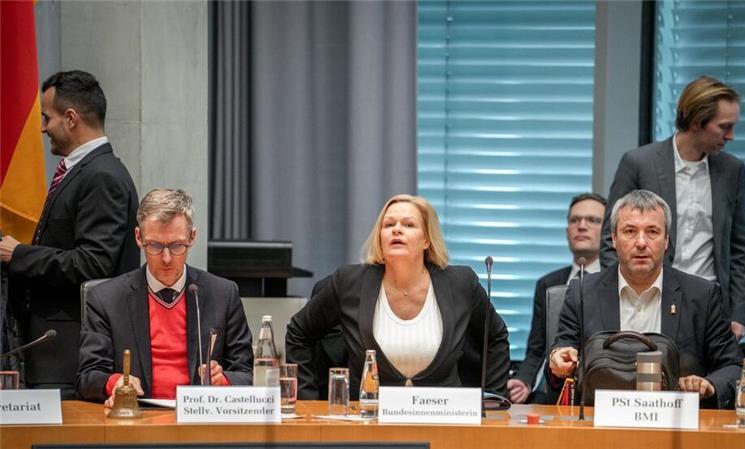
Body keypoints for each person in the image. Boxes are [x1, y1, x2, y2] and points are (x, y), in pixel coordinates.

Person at [286, 194, 510, 398]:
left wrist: (493, 400)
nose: (397, 230)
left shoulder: (460, 283)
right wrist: (307, 401)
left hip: (442, 416)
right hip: (369, 416)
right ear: (380, 237)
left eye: (409, 225)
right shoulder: (349, 282)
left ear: (426, 240)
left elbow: (496, 336)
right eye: (388, 225)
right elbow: (299, 332)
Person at [0, 70, 139, 398]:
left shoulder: (102, 176)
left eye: (47, 117)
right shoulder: (84, 171)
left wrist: (19, 255)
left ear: (71, 118)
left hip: (70, 356)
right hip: (53, 352)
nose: (42, 127)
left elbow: (94, 264)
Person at [551, 190, 742, 408]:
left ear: (666, 240)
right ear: (614, 239)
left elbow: (733, 367)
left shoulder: (701, 295)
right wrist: (559, 362)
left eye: (652, 232)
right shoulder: (582, 292)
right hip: (600, 420)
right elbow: (560, 357)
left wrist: (709, 384)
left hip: (676, 420)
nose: (641, 242)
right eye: (630, 231)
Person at [600, 76, 745, 341]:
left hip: (709, 306)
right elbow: (610, 239)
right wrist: (619, 300)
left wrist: (737, 314)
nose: (731, 136)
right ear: (696, 122)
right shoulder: (639, 163)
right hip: (649, 300)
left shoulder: (732, 170)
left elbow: (737, 248)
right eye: (724, 127)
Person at [76, 189, 253, 407]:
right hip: (137, 415)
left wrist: (223, 380)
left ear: (192, 237)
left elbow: (246, 373)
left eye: (177, 245)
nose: (166, 258)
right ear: (139, 238)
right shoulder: (106, 299)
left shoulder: (223, 294)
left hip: (199, 416)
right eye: (155, 246)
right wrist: (116, 383)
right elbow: (88, 376)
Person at [508, 193, 606, 404]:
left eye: (592, 220)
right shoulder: (547, 284)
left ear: (608, 231)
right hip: (552, 388)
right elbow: (537, 350)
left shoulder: (617, 282)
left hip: (600, 389)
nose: (582, 226)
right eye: (575, 220)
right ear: (567, 231)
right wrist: (523, 381)